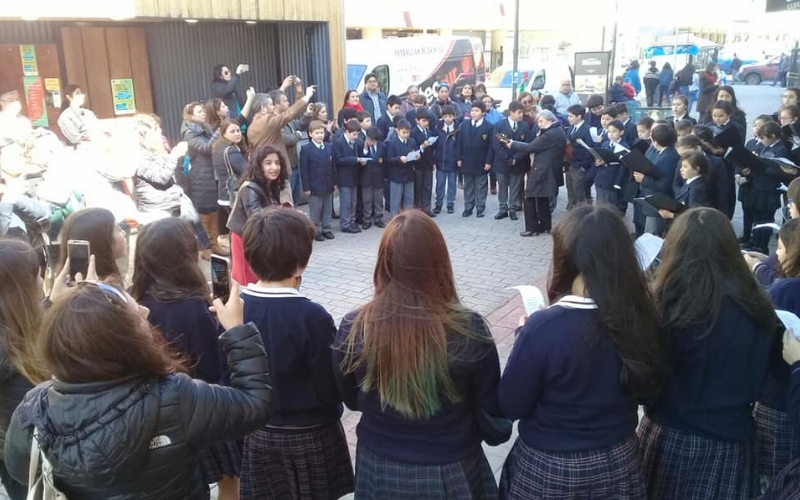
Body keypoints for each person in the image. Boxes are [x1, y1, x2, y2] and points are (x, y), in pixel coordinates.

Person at [3, 278, 273, 499]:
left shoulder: (35, 406)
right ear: (122, 341)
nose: (145, 311)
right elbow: (254, 404)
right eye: (135, 314)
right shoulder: (173, 396)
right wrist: (237, 331)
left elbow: (19, 468)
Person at [499, 204, 666, 500]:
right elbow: (647, 391)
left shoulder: (543, 328)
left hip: (550, 465)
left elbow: (511, 405)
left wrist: (523, 339)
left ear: (567, 257)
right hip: (619, 459)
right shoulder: (641, 315)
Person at [333, 210, 503, 500]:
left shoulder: (355, 326)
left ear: (383, 263)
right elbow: (493, 415)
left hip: (380, 466)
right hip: (453, 465)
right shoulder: (469, 328)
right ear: (440, 263)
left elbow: (350, 398)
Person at [639, 207, 778, 500]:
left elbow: (644, 380)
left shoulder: (664, 303)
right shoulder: (758, 307)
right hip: (731, 441)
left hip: (668, 434)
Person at [239, 208, 354, 500]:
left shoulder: (236, 308)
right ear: (300, 264)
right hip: (311, 433)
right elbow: (329, 387)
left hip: (259, 431)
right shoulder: (311, 316)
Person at [130, 218, 242, 500]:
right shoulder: (192, 306)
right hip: (201, 407)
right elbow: (213, 367)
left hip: (157, 414)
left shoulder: (136, 302)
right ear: (184, 255)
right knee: (229, 476)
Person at [0, 239, 49, 500]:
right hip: (33, 477)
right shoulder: (18, 372)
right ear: (24, 289)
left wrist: (53, 305)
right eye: (39, 275)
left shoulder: (12, 341)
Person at [756, 218, 800, 490]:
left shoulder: (786, 290)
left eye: (781, 248)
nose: (778, 255)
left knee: (774, 480)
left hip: (779, 401)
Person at [227, 145, 287, 286]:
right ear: (259, 165)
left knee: (261, 280)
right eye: (268, 163)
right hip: (246, 239)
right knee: (250, 281)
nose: (274, 167)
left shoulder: (270, 184)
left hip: (259, 238)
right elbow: (257, 218)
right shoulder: (250, 188)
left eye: (277, 163)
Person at [505, 109, 566, 236]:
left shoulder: (550, 134)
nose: (539, 124)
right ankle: (545, 225)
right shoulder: (557, 130)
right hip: (548, 169)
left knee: (530, 197)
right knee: (542, 197)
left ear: (550, 120)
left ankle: (531, 228)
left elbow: (530, 147)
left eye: (541, 121)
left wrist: (513, 144)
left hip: (543, 169)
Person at [181, 101, 224, 256]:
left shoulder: (205, 127)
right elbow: (205, 148)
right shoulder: (188, 132)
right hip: (200, 176)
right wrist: (219, 132)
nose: (203, 113)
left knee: (213, 209)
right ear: (191, 115)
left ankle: (214, 244)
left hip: (211, 174)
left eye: (203, 111)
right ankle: (204, 248)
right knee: (203, 212)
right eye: (199, 111)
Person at [57, 207, 126, 287]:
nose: (124, 233)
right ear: (102, 241)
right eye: (119, 229)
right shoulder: (102, 291)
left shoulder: (65, 287)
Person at [633, 124, 679, 236]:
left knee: (652, 235)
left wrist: (643, 179)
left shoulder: (669, 157)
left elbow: (664, 185)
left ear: (655, 141)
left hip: (657, 204)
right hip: (650, 201)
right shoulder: (663, 153)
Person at [489, 101, 529, 221]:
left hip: (517, 163)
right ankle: (503, 208)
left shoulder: (524, 126)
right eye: (519, 112)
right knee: (502, 185)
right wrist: (507, 159)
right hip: (502, 163)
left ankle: (512, 208)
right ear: (511, 112)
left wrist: (515, 158)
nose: (521, 115)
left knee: (515, 186)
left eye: (522, 112)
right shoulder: (499, 125)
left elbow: (526, 145)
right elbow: (497, 145)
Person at [299, 120, 336, 241]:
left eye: (322, 132)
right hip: (314, 186)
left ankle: (326, 228)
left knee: (327, 208)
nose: (320, 135)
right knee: (316, 210)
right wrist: (306, 187)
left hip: (328, 183)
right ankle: (316, 230)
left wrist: (334, 182)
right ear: (310, 134)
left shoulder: (328, 147)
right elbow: (304, 170)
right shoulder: (306, 149)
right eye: (317, 133)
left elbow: (333, 165)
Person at [457, 101, 493, 218]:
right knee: (468, 186)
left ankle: (480, 207)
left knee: (481, 186)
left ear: (483, 113)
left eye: (477, 111)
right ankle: (468, 207)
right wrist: (459, 158)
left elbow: (491, 147)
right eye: (472, 110)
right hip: (467, 160)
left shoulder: (489, 127)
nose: (474, 113)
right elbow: (459, 143)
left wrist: (488, 161)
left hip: (481, 162)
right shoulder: (464, 125)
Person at [657, 151, 709, 221]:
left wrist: (671, 215)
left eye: (685, 166)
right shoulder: (689, 182)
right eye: (681, 166)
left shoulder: (697, 189)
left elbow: (693, 214)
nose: (681, 169)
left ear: (696, 169)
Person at [386, 119, 417, 215]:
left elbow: (414, 152)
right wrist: (399, 159)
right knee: (395, 201)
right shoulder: (392, 143)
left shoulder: (412, 141)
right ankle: (394, 219)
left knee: (409, 199)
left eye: (408, 132)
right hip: (396, 176)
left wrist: (416, 156)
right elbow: (389, 159)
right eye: (403, 132)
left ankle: (409, 219)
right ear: (397, 131)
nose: (406, 134)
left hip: (409, 175)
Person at [433, 105, 460, 215]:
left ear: (454, 116)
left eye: (450, 116)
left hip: (453, 162)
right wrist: (434, 161)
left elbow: (459, 146)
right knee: (440, 184)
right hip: (441, 161)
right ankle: (438, 204)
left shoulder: (458, 129)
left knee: (452, 184)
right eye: (445, 116)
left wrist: (459, 158)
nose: (447, 119)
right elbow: (434, 146)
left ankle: (450, 204)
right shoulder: (438, 128)